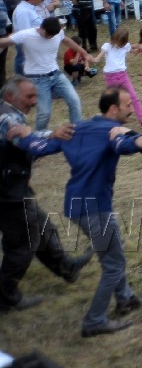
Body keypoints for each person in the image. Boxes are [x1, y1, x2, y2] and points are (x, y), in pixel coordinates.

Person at [8, 87, 142, 336]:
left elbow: (37, 147)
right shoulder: (110, 132)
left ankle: (125, 298)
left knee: (113, 247)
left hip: (76, 205)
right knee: (114, 264)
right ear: (113, 109)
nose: (132, 108)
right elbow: (129, 145)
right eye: (128, 104)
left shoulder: (77, 129)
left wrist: (19, 135)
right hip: (94, 208)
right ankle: (95, 320)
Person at [0, 77, 91, 313]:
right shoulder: (6, 118)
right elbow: (24, 141)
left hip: (14, 185)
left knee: (42, 226)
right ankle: (6, 296)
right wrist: (51, 135)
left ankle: (66, 267)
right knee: (22, 243)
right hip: (7, 192)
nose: (34, 101)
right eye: (29, 96)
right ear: (10, 96)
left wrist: (47, 135)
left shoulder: (11, 113)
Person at [0, 16, 90, 130]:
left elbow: (67, 40)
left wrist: (83, 52)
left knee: (75, 101)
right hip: (37, 79)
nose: (50, 37)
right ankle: (40, 136)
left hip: (56, 75)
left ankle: (76, 131)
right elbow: (5, 41)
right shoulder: (26, 34)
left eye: (53, 35)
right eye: (48, 35)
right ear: (42, 28)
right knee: (45, 113)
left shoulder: (58, 32)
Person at [95, 27, 142, 124]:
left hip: (123, 75)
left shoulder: (126, 46)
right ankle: (112, 120)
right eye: (117, 40)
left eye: (121, 41)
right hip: (110, 77)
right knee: (112, 100)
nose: (118, 43)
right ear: (114, 38)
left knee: (133, 96)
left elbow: (134, 51)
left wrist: (141, 47)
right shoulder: (107, 46)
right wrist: (92, 59)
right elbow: (98, 58)